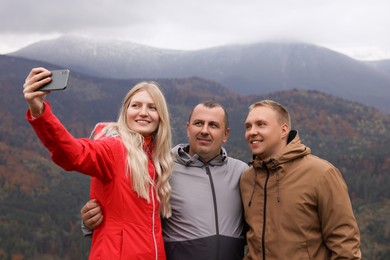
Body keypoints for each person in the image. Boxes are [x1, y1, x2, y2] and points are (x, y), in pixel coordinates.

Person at [23, 67, 173, 259]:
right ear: (125, 112)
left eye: (152, 107)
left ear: (161, 117)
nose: (143, 113)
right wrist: (39, 111)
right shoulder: (114, 149)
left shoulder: (160, 160)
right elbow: (74, 153)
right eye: (136, 106)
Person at [82, 101, 249, 260]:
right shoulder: (161, 167)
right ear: (188, 129)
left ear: (225, 134)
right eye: (198, 123)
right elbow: (127, 206)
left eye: (213, 125)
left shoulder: (242, 173)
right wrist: (90, 222)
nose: (204, 130)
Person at [240, 99, 361, 259]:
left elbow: (345, 245)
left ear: (284, 130)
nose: (252, 132)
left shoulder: (321, 174)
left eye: (261, 124)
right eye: (248, 126)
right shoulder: (247, 180)